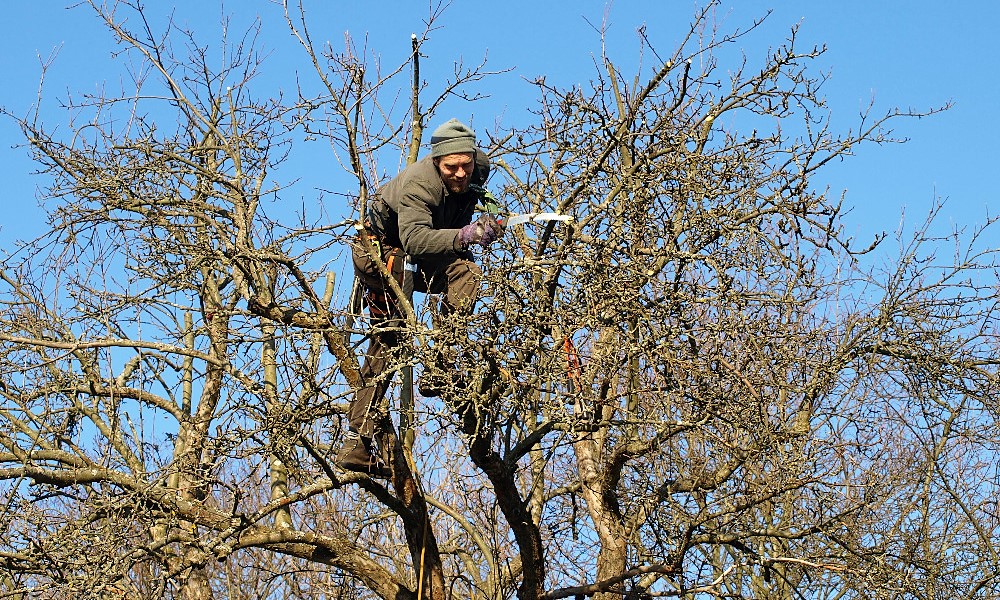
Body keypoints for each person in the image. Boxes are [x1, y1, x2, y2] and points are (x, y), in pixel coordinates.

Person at [335, 118, 503, 477]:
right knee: (392, 339)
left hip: (422, 252)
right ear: (437, 162)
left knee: (466, 272)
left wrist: (491, 221)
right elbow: (414, 242)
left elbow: (479, 201)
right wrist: (465, 236)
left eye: (466, 165)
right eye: (451, 167)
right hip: (382, 253)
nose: (460, 173)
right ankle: (357, 444)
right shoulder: (417, 186)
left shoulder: (478, 169)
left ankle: (440, 363)